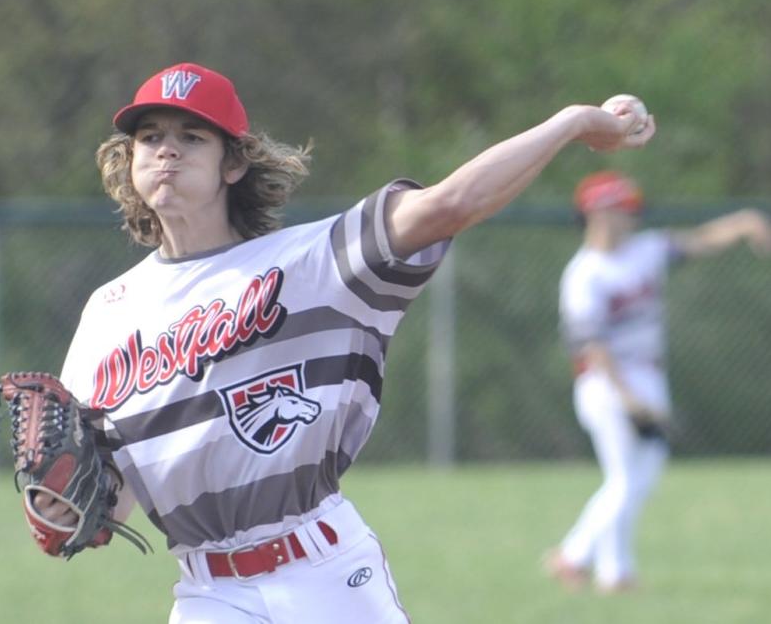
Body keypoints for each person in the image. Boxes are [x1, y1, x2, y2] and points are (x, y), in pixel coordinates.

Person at [33, 62, 655, 623]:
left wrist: (571, 124)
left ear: (233, 163)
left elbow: (452, 203)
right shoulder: (107, 315)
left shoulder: (313, 262)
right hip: (207, 594)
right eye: (150, 137)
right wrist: (65, 508)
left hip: (325, 573)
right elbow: (111, 494)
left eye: (190, 137)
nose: (166, 151)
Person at [545, 170, 771, 594]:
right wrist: (627, 397)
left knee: (644, 472)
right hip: (605, 382)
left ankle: (599, 566)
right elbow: (591, 345)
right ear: (597, 214)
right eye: (623, 210)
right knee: (623, 477)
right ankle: (588, 562)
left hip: (648, 373)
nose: (632, 218)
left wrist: (744, 222)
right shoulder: (583, 274)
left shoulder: (646, 250)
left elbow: (702, 241)